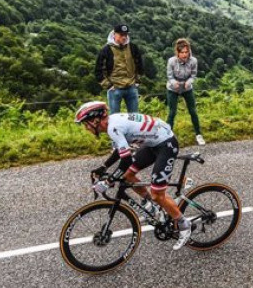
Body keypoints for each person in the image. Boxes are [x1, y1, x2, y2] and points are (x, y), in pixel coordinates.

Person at [75, 101, 192, 250]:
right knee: (128, 175)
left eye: (86, 124)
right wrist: (103, 167)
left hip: (166, 145)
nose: (86, 128)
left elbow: (126, 159)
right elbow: (121, 149)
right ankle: (153, 207)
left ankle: (184, 225)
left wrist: (109, 180)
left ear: (95, 120)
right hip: (152, 144)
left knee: (157, 193)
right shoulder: (113, 123)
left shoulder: (113, 127)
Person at [95, 24, 144, 114]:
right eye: (121, 35)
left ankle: (132, 128)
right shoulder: (106, 50)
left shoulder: (133, 47)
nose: (124, 37)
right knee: (114, 118)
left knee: (134, 116)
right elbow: (98, 70)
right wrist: (109, 86)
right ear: (114, 34)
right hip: (115, 89)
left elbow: (139, 64)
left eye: (125, 35)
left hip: (131, 87)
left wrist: (137, 81)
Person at [166, 38, 204, 146]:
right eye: (182, 52)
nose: (184, 55)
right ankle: (167, 136)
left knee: (193, 111)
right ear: (177, 52)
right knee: (172, 112)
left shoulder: (193, 61)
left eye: (186, 52)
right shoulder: (171, 61)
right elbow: (169, 76)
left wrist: (189, 82)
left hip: (187, 87)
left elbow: (193, 75)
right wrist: (174, 83)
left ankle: (198, 134)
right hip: (173, 88)